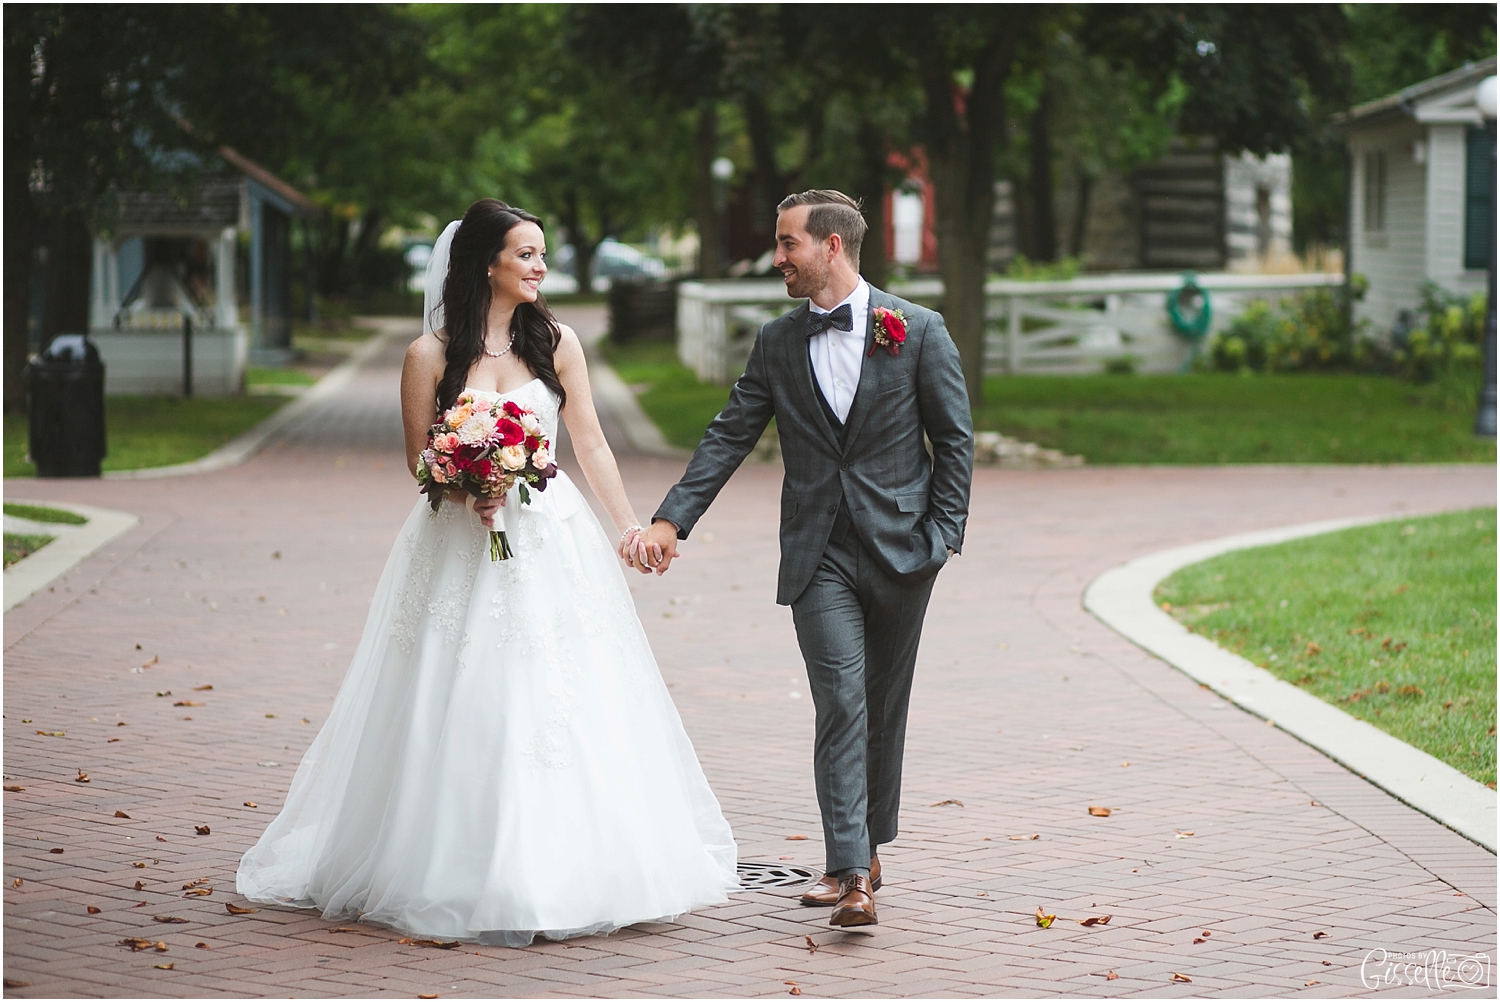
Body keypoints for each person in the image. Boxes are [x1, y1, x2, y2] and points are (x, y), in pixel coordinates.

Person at [236, 199, 739, 947]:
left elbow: (591, 445)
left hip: (550, 539)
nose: (541, 266)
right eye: (526, 253)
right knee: (463, 686)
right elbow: (419, 462)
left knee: (558, 691)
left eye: (541, 254)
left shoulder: (558, 342)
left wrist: (629, 527)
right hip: (459, 546)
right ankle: (454, 863)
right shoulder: (428, 356)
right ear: (485, 264)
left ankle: (576, 862)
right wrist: (469, 483)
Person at [639, 190, 973, 928]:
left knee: (883, 708)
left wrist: (943, 535)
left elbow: (953, 441)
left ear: (831, 247)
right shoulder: (778, 342)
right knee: (842, 701)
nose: (777, 258)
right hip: (817, 552)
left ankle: (866, 846)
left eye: (788, 243)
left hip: (903, 552)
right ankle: (849, 870)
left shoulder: (917, 331)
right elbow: (729, 433)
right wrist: (671, 520)